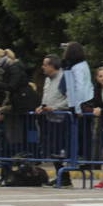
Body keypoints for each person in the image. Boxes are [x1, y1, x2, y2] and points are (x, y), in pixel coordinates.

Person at [36, 54, 71, 187]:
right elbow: (46, 97)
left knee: (60, 151)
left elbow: (69, 99)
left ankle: (65, 178)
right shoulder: (47, 79)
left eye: (45, 64)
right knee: (53, 150)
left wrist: (55, 108)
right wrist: (41, 107)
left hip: (61, 119)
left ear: (52, 66)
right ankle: (60, 176)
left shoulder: (64, 78)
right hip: (49, 119)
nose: (42, 67)